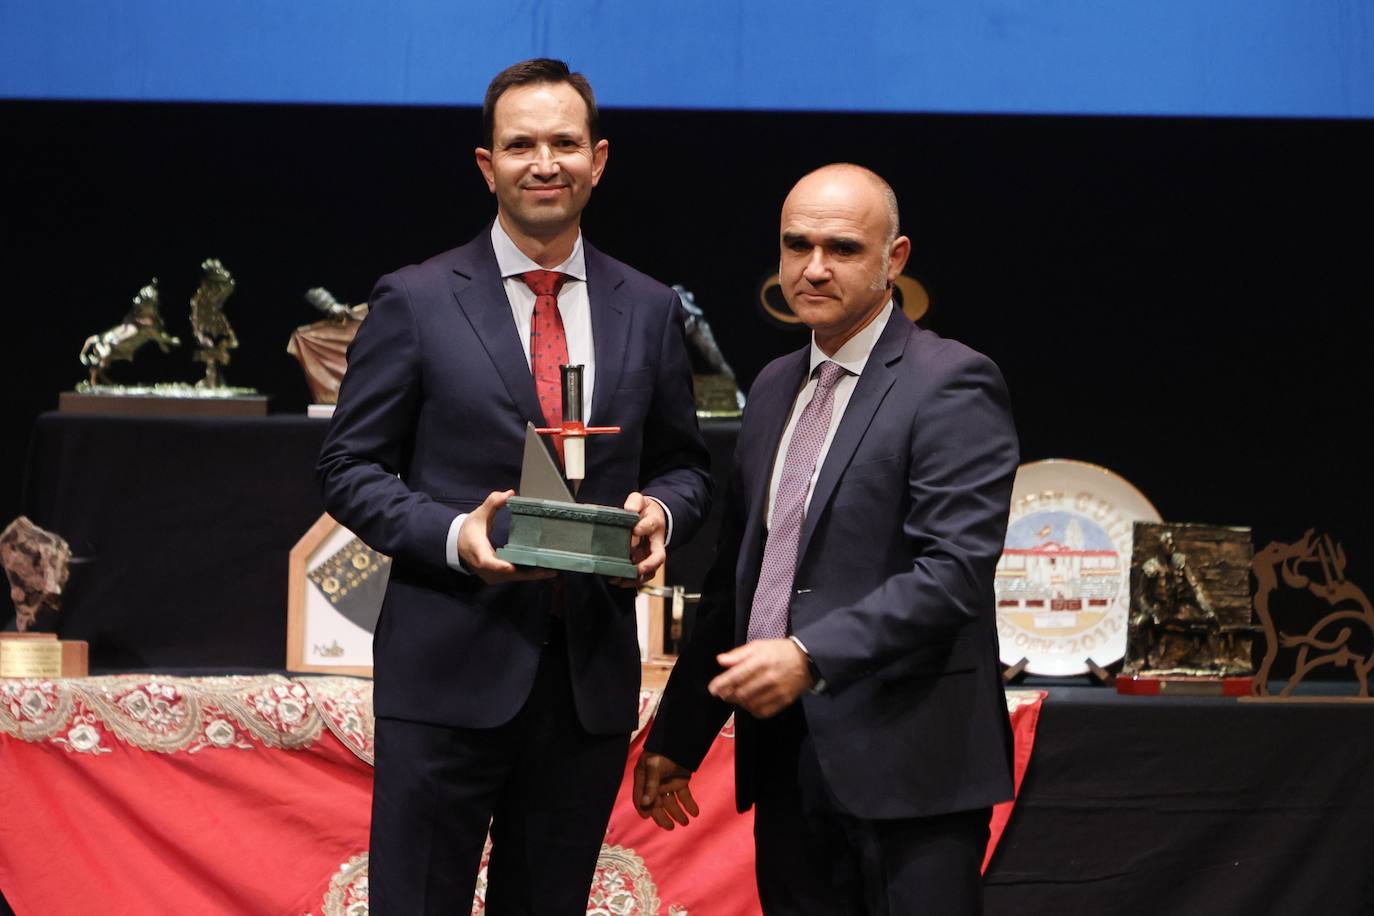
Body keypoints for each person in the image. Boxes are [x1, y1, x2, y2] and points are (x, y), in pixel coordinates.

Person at [317, 58, 712, 914]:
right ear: (486, 164)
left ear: (598, 160)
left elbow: (687, 464)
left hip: (586, 682)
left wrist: (662, 514)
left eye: (565, 143)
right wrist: (459, 535)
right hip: (446, 672)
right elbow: (345, 468)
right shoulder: (416, 299)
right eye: (522, 144)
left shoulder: (647, 307)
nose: (545, 162)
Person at [634, 164, 1019, 915]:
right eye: (796, 245)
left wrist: (809, 657)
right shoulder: (776, 385)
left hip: (912, 769)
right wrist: (679, 735)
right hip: (786, 762)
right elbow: (740, 581)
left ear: (894, 259)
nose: (813, 268)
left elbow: (954, 573)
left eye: (842, 248)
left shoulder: (953, 381)